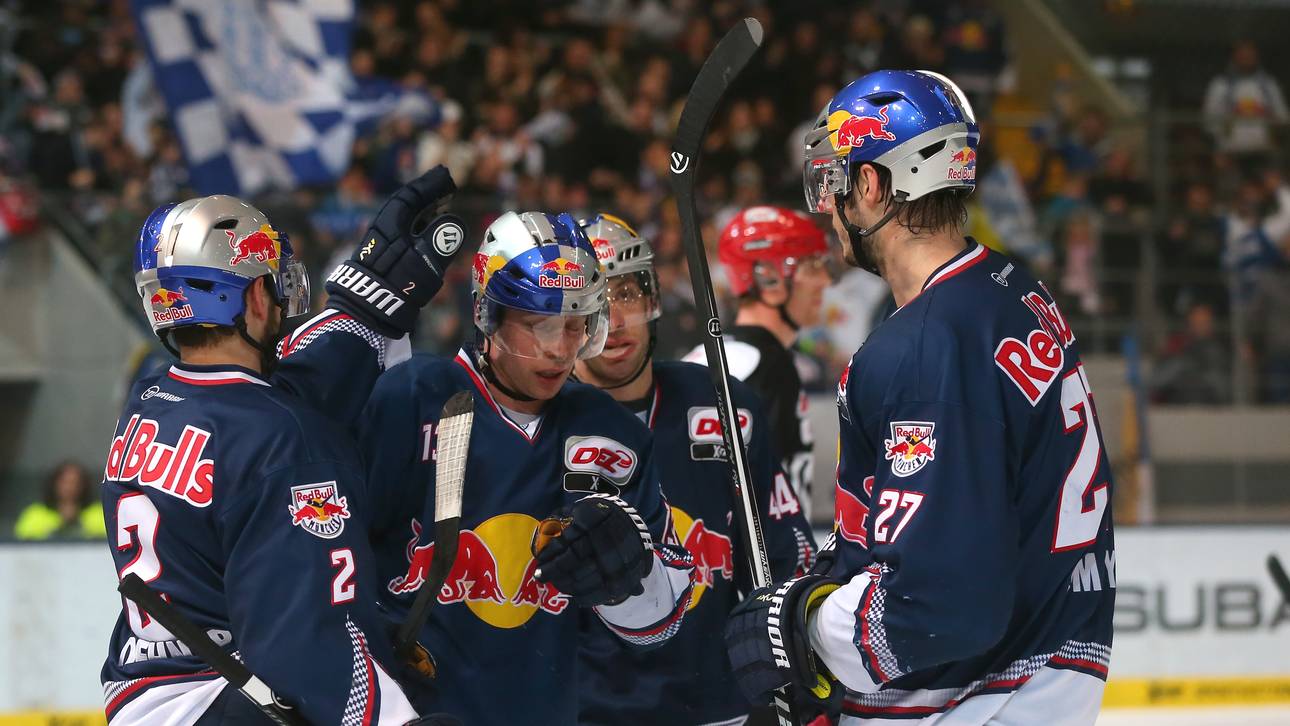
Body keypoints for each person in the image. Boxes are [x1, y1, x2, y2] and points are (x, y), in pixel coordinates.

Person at [726, 70, 1115, 724]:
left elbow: (939, 604)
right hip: (1045, 674)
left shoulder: (925, 346)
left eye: (834, 182)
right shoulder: (1011, 290)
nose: (827, 205)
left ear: (873, 185)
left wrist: (801, 630)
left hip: (971, 698)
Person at [101, 168, 467, 725]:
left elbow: (276, 396)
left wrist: (365, 304)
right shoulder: (287, 441)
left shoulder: (151, 397)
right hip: (223, 697)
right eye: (272, 285)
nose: (280, 299)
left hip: (144, 692)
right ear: (252, 296)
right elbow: (309, 636)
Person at [358, 211, 695, 723]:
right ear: (485, 312)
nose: (560, 349)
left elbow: (659, 625)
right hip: (413, 711)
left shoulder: (613, 431)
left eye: (576, 324)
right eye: (538, 324)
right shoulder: (413, 397)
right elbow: (335, 567)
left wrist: (629, 576)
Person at [572, 214, 816, 725]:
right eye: (592, 303)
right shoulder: (538, 425)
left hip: (717, 707)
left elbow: (785, 552)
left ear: (653, 301)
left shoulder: (727, 403)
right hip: (587, 710)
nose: (613, 321)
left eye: (626, 295)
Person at [687, 206, 832, 520]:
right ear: (768, 277)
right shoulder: (766, 367)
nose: (825, 280)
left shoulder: (713, 356)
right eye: (812, 265)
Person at [14, 461, 105, 540]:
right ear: (54, 484)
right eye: (65, 482)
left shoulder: (99, 513)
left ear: (84, 486)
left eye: (75, 482)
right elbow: (21, 546)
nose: (70, 487)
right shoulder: (34, 514)